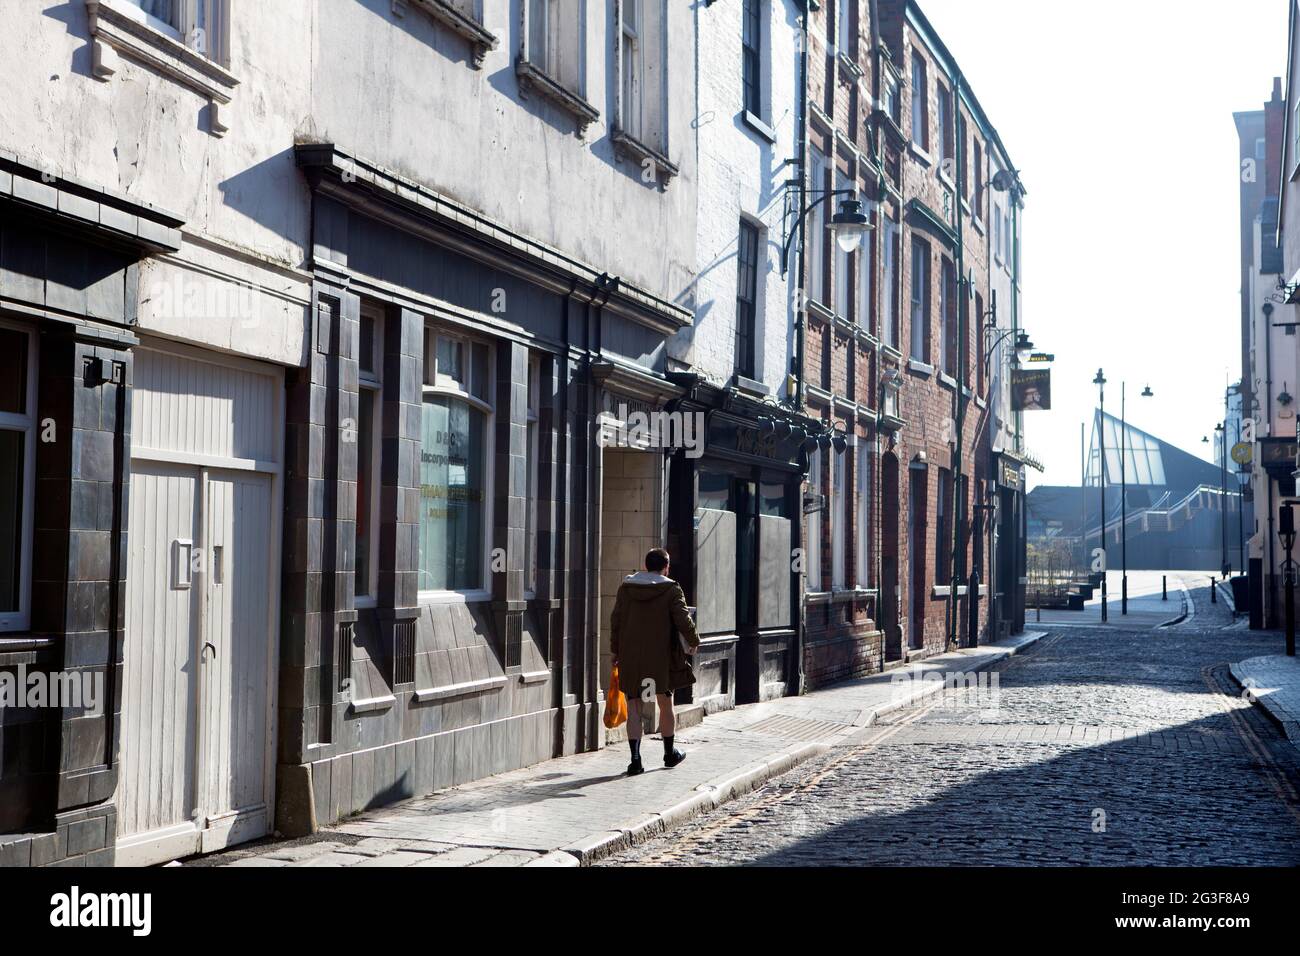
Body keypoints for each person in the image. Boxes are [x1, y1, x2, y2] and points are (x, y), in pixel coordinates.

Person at [610, 548, 700, 776]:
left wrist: (615, 650)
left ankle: (635, 760)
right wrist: (693, 640)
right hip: (660, 657)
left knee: (634, 707)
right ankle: (669, 754)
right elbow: (683, 618)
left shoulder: (626, 587)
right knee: (665, 703)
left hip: (631, 655)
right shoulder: (671, 589)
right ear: (666, 566)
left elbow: (616, 620)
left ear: (646, 564)